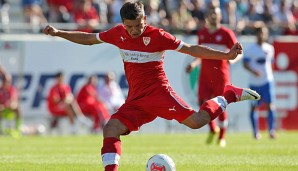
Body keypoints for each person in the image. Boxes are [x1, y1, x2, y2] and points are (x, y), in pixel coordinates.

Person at [43, 1, 260, 170]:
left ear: (145, 19)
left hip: (159, 93)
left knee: (197, 122)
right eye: (130, 27)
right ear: (123, 24)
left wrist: (226, 55)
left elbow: (192, 49)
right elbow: (89, 39)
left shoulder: (158, 36)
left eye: (138, 25)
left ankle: (229, 95)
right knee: (111, 128)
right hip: (136, 100)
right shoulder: (117, 33)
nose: (134, 31)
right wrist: (59, 33)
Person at [186, 4, 239, 147]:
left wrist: (233, 60)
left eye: (216, 14)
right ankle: (212, 129)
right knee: (202, 103)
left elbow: (239, 52)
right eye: (211, 14)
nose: (213, 16)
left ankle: (222, 137)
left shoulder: (227, 33)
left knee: (220, 105)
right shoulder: (202, 33)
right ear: (207, 16)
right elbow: (199, 54)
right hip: (205, 75)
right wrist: (194, 64)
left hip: (220, 76)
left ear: (221, 16)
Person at [243, 25, 276, 140]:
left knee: (270, 106)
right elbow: (245, 64)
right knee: (254, 108)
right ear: (256, 34)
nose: (262, 35)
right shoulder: (250, 49)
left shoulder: (270, 48)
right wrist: (254, 71)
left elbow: (270, 63)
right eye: (260, 33)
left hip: (267, 82)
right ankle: (256, 132)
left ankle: (271, 130)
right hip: (254, 83)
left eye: (264, 33)